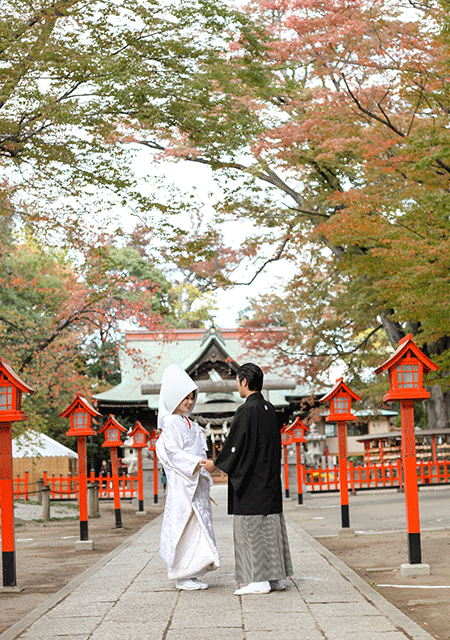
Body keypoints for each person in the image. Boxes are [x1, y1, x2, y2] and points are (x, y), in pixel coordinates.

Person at [201, 362, 293, 595]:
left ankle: (258, 579)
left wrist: (216, 463)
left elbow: (236, 446)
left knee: (251, 530)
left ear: (244, 382)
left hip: (251, 482)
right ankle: (275, 578)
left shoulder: (246, 410)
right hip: (270, 479)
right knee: (271, 529)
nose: (237, 387)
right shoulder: (270, 409)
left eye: (237, 382)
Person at [156, 364, 220, 590]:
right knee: (184, 525)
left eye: (192, 397)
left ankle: (192, 571)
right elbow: (172, 453)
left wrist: (201, 466)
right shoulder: (170, 424)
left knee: (198, 526)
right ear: (174, 397)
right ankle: (181, 574)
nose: (189, 402)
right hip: (184, 483)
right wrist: (196, 463)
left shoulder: (190, 424)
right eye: (185, 397)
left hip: (196, 481)